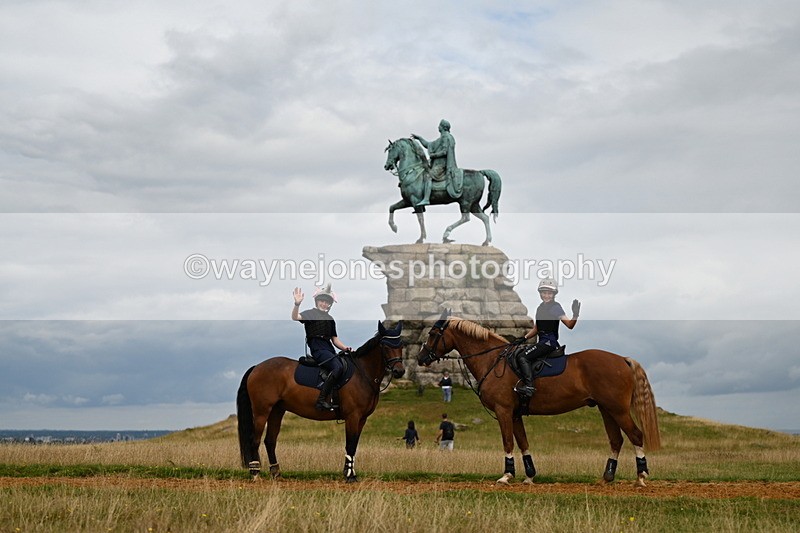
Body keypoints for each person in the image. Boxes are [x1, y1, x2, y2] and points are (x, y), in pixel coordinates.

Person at [513, 278, 580, 400]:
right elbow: (537, 328)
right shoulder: (540, 308)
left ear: (554, 294)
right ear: (540, 293)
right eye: (544, 292)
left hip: (549, 343)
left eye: (549, 293)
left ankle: (529, 387)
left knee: (522, 357)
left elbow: (570, 325)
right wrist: (524, 338)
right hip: (542, 342)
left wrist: (575, 314)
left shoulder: (555, 307)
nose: (546, 295)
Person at [292, 284, 351, 411]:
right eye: (322, 301)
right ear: (317, 301)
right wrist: (297, 304)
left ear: (330, 305)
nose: (324, 304)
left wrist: (346, 349)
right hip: (318, 349)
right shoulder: (310, 313)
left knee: (345, 365)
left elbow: (335, 340)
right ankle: (321, 400)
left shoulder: (330, 319)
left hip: (329, 350)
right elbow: (295, 317)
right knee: (338, 367)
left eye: (327, 302)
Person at [410, 119, 458, 207]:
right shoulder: (441, 138)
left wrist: (433, 155)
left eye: (439, 125)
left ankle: (426, 199)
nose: (438, 127)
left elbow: (444, 152)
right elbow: (428, 144)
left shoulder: (446, 137)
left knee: (428, 176)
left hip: (441, 165)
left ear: (443, 127)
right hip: (437, 165)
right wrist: (419, 138)